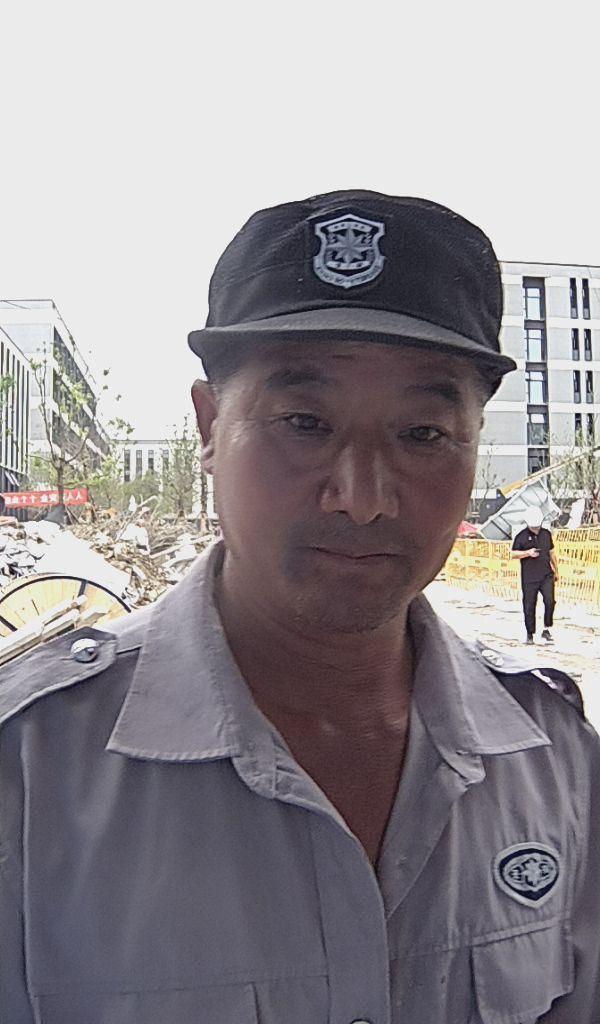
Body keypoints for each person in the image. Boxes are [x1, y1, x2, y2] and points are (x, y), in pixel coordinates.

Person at [1, 190, 599, 1023]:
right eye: (305, 422)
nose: (363, 497)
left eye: (422, 434)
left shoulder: (554, 762)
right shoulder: (30, 772)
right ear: (208, 427)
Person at [512, 507, 559, 644]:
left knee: (550, 601)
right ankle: (530, 633)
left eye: (537, 526)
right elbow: (513, 554)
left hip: (546, 575)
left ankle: (547, 629)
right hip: (529, 577)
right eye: (533, 527)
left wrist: (556, 570)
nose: (536, 529)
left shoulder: (546, 534)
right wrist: (527, 553)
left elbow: (551, 553)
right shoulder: (521, 536)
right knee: (529, 605)